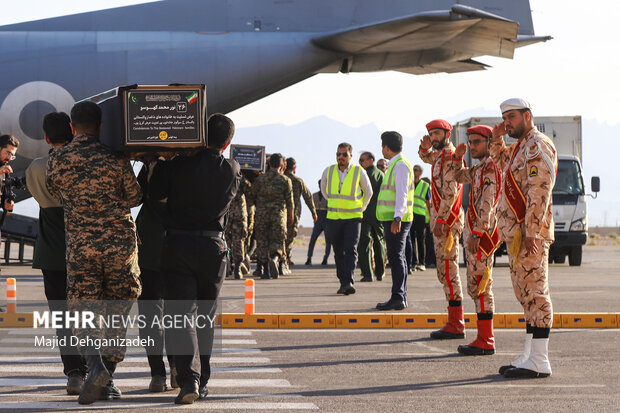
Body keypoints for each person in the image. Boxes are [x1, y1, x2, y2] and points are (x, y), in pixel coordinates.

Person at [47, 101, 142, 405]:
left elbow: (53, 190)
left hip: (81, 247)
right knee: (117, 309)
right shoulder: (115, 157)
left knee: (84, 308)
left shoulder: (58, 159)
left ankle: (97, 369)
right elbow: (135, 196)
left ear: (72, 127)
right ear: (101, 126)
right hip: (119, 246)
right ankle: (107, 375)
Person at [149, 113, 241, 404]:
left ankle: (188, 379)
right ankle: (203, 382)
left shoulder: (178, 165)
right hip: (213, 248)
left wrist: (163, 161)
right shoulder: (232, 169)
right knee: (205, 316)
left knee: (180, 315)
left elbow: (154, 193)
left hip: (178, 245)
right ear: (227, 144)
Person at [490, 98, 557, 378]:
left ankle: (540, 360)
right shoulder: (519, 146)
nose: (508, 122)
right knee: (525, 294)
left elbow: (539, 190)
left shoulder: (537, 145)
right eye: (505, 117)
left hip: (530, 234)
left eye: (513, 116)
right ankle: (529, 354)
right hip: (518, 235)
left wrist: (531, 230)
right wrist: (495, 140)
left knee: (537, 292)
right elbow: (501, 161)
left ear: (527, 116)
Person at [25, 113, 87, 395]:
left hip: (51, 254)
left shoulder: (36, 168)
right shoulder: (85, 164)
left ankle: (73, 372)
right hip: (84, 250)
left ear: (47, 138)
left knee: (63, 317)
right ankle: (93, 367)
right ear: (73, 131)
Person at [452, 125, 502, 356]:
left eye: (477, 142)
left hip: (481, 235)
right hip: (473, 232)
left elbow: (489, 203)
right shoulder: (479, 167)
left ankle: (486, 339)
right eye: (470, 142)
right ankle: (482, 337)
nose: (472, 146)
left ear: (489, 142)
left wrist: (479, 232)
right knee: (475, 285)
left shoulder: (492, 168)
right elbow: (458, 176)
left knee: (482, 286)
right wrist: (457, 157)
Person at [419, 119, 465, 339]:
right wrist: (424, 147)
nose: (434, 137)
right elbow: (426, 157)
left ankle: (457, 324)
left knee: (449, 271)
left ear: (448, 134)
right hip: (441, 221)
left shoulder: (449, 157)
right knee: (443, 271)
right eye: (431, 133)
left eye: (437, 133)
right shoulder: (439, 155)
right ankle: (453, 321)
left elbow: (451, 193)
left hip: (446, 222)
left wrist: (442, 220)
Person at [135, 162, 176, 392]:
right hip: (177, 253)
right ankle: (177, 368)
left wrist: (149, 168)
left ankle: (157, 374)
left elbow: (134, 197)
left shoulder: (150, 167)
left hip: (149, 255)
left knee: (150, 317)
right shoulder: (185, 166)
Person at [321, 142, 372, 295]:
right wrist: (334, 203)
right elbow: (324, 191)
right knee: (338, 251)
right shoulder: (328, 171)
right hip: (334, 217)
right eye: (338, 154)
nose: (340, 157)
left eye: (344, 154)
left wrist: (361, 208)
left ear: (350, 155)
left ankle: (349, 281)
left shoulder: (359, 171)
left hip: (353, 218)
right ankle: (342, 281)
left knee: (350, 249)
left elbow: (368, 192)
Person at [375, 132, 414, 310]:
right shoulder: (396, 164)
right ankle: (399, 295)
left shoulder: (399, 166)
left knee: (396, 257)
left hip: (397, 219)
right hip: (394, 218)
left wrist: (397, 217)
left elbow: (402, 194)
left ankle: (398, 296)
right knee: (398, 257)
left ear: (386, 147)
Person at [248, 153, 294, 279]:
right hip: (277, 216)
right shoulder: (285, 180)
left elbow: (251, 196)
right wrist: (290, 218)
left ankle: (266, 271)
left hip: (261, 215)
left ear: (269, 164)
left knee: (262, 242)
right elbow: (290, 203)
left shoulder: (260, 180)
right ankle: (274, 257)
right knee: (277, 240)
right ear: (281, 165)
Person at [284, 157, 317, 268]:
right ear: (294, 168)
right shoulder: (298, 181)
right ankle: (286, 258)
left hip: (280, 212)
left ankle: (282, 257)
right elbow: (308, 197)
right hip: (294, 213)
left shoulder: (281, 178)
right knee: (290, 236)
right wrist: (313, 212)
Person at [357, 151, 385, 282]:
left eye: (362, 160)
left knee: (364, 243)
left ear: (371, 160)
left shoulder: (366, 173)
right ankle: (380, 272)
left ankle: (368, 273)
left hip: (365, 212)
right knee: (379, 242)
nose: (360, 163)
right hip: (379, 213)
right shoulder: (381, 174)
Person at [225, 173, 250, 279]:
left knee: (225, 239)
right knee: (239, 240)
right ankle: (237, 268)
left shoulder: (224, 174)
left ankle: (226, 266)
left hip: (226, 211)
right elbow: (250, 192)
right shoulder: (241, 177)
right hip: (239, 212)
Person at [306, 180, 332, 266]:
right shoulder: (314, 196)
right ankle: (309, 258)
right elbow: (311, 206)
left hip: (327, 221)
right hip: (318, 221)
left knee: (328, 241)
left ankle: (325, 259)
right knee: (312, 240)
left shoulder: (330, 196)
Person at [0, 134, 19, 223]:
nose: (9, 158)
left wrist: (7, 204)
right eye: (8, 152)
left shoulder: (5, 171)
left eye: (12, 155)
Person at [422, 176, 436, 268]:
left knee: (428, 241)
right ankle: (430, 260)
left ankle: (429, 260)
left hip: (427, 219)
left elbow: (429, 204)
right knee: (429, 241)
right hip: (428, 219)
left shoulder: (427, 191)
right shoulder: (431, 192)